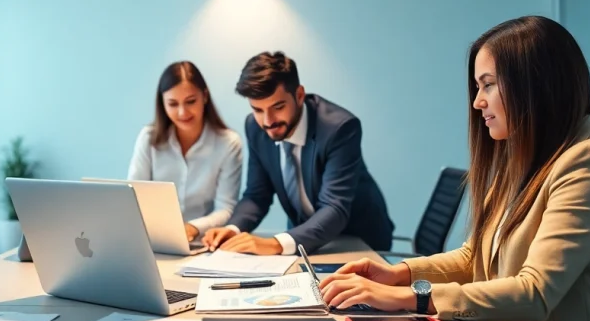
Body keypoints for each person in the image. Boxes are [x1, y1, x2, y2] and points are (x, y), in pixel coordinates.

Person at [319, 16, 590, 321]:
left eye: (487, 85)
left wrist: (410, 299)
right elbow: (474, 256)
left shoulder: (587, 164)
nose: (477, 103)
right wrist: (400, 274)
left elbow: (535, 292)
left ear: (535, 85)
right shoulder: (520, 161)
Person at [201, 52, 394, 255]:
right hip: (304, 242)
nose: (268, 121)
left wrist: (275, 244)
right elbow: (257, 195)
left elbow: (334, 208)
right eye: (258, 109)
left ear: (299, 95)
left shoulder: (340, 129)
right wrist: (233, 229)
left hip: (358, 242)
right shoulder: (255, 127)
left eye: (278, 106)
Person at [127, 61, 243, 241]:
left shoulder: (228, 143)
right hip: (152, 240)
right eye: (173, 104)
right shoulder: (148, 138)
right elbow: (133, 195)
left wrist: (192, 228)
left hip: (203, 242)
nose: (182, 112)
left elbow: (226, 209)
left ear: (204, 96)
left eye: (190, 101)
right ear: (162, 104)